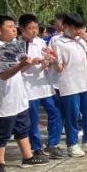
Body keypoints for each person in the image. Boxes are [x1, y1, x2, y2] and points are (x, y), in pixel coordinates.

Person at [0, 15, 48, 172]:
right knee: (4, 131)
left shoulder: (13, 46)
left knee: (22, 127)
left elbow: (16, 70)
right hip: (5, 96)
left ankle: (27, 157)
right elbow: (2, 75)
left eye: (14, 26)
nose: (14, 29)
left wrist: (27, 64)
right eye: (10, 27)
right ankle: (0, 163)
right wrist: (21, 65)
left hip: (18, 94)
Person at [18, 14, 65, 161]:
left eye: (36, 28)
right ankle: (36, 147)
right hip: (28, 87)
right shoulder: (18, 45)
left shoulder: (40, 42)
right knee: (33, 118)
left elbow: (47, 59)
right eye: (30, 28)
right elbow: (16, 69)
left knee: (55, 112)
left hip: (44, 85)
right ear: (22, 29)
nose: (34, 31)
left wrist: (48, 60)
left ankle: (52, 143)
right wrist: (30, 63)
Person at [52, 12, 87, 157]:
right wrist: (53, 61)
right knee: (72, 114)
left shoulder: (82, 41)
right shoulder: (57, 42)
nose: (78, 31)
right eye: (75, 28)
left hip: (86, 82)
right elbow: (58, 67)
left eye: (80, 28)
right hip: (69, 84)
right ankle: (72, 144)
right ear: (65, 26)